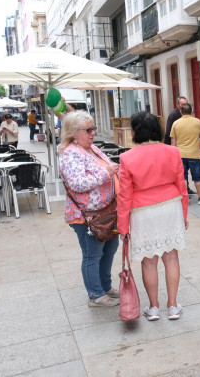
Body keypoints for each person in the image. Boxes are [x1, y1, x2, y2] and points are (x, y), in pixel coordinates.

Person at [117, 111, 189, 321]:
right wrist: (183, 213)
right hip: (170, 206)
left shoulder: (127, 157)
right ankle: (173, 306)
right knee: (172, 257)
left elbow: (124, 196)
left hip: (142, 211)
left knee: (148, 262)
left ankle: (154, 307)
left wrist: (123, 227)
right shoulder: (172, 152)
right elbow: (181, 185)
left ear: (135, 131)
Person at [58, 111, 120, 307]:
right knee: (92, 254)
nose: (93, 133)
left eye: (94, 129)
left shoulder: (91, 148)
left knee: (110, 249)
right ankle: (96, 294)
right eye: (88, 130)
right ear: (74, 133)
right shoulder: (70, 153)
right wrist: (107, 173)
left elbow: (107, 167)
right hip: (87, 217)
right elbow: (77, 183)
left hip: (106, 212)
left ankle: (105, 285)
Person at [170, 102, 200, 204]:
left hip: (180, 154)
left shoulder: (176, 123)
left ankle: (185, 198)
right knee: (197, 177)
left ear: (180, 111)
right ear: (191, 111)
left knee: (183, 177)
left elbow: (173, 142)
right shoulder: (197, 122)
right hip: (194, 154)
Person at [164, 96, 195, 194]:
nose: (185, 105)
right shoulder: (174, 115)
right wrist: (168, 148)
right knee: (180, 170)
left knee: (184, 170)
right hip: (176, 147)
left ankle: (186, 188)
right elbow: (168, 132)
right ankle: (181, 189)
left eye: (186, 103)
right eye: (182, 104)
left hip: (187, 147)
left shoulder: (188, 114)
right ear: (177, 105)